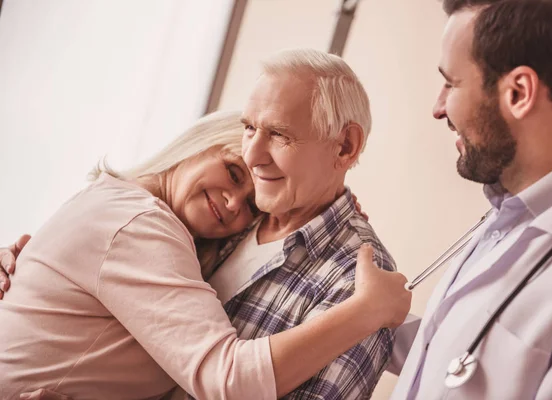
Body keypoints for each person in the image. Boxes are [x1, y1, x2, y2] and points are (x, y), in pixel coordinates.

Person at [2, 49, 408, 398]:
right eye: (248, 130)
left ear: (345, 146)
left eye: (280, 135)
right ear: (200, 142)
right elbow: (225, 377)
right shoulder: (146, 225)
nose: (252, 156)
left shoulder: (358, 277)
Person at [384, 0, 552, 398]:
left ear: (519, 92)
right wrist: (363, 316)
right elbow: (462, 359)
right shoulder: (507, 215)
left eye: (451, 82)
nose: (438, 107)